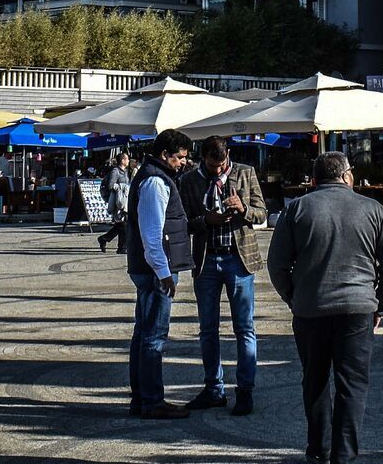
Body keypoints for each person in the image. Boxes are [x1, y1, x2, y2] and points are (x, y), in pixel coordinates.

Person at [266, 151, 383, 464]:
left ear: (314, 179)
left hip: (310, 309)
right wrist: (379, 306)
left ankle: (318, 448)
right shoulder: (373, 210)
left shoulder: (296, 210)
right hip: (358, 310)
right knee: (352, 385)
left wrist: (293, 297)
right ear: (347, 176)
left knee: (314, 380)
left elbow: (277, 264)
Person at [179, 136, 267, 415]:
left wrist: (244, 209)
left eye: (222, 164)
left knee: (244, 328)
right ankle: (213, 388)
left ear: (228, 155)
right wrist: (206, 220)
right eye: (212, 165)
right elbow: (182, 222)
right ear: (202, 158)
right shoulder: (190, 181)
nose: (218, 170)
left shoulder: (245, 173)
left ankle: (245, 390)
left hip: (238, 259)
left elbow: (262, 212)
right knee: (208, 329)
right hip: (206, 261)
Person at [125, 130, 194, 419]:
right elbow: (152, 234)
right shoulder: (155, 181)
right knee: (153, 336)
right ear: (165, 154)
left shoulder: (154, 176)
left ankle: (142, 398)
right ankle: (151, 400)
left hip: (150, 268)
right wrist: (164, 273)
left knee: (144, 334)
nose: (183, 163)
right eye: (179, 157)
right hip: (155, 270)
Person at [96, 149, 133, 253]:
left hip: (123, 200)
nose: (128, 161)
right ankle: (121, 247)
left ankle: (105, 239)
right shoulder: (115, 171)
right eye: (127, 159)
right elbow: (111, 185)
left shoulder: (125, 172)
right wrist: (123, 187)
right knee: (123, 224)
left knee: (121, 224)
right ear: (122, 160)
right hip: (117, 202)